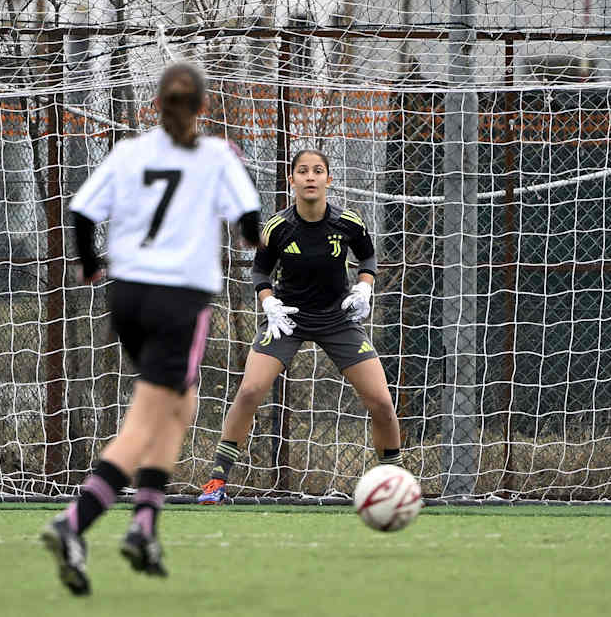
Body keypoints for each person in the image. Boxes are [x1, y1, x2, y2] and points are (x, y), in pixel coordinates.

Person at [40, 62, 262, 596]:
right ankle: (74, 522)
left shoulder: (129, 152)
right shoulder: (215, 155)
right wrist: (248, 239)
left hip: (128, 296)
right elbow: (250, 221)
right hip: (179, 301)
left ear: (155, 106)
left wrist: (90, 263)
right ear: (203, 108)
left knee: (180, 405)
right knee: (147, 418)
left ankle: (144, 525)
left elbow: (83, 212)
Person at [196, 148, 401, 505]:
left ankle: (396, 485)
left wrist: (365, 285)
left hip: (338, 319)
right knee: (249, 392)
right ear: (291, 180)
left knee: (382, 402)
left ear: (328, 180)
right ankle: (216, 482)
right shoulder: (278, 226)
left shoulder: (348, 222)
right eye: (303, 171)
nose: (310, 177)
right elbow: (259, 271)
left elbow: (367, 256)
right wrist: (269, 301)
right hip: (287, 319)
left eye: (317, 170)